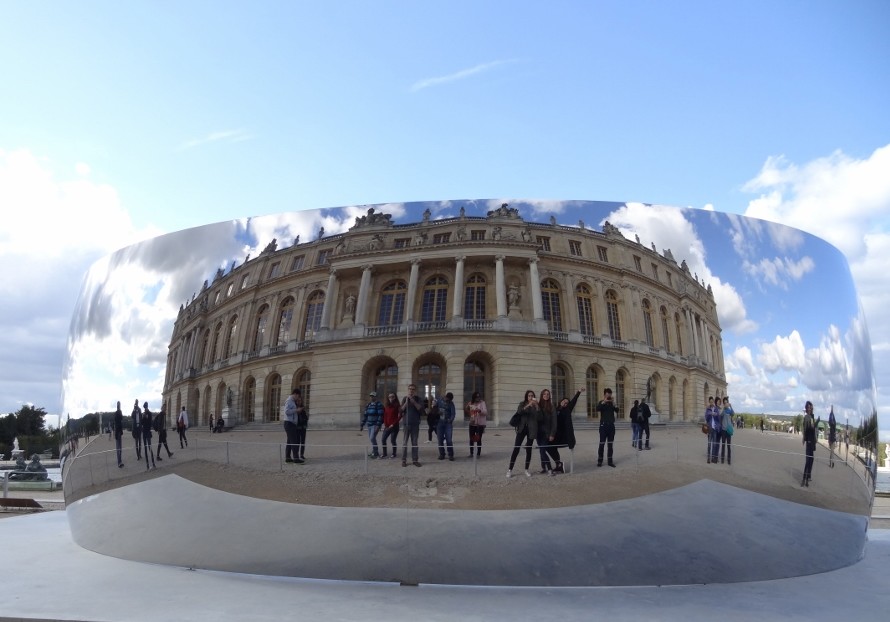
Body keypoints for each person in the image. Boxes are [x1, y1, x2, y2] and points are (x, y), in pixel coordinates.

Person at [507, 389, 541, 478]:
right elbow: (519, 412)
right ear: (526, 397)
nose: (530, 397)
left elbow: (540, 418)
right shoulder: (522, 404)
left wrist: (537, 407)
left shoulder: (536, 406)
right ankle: (510, 469)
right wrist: (528, 405)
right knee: (516, 448)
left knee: (528, 449)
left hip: (532, 429)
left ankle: (526, 469)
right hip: (522, 429)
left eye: (532, 396)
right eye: (529, 396)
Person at [553, 388, 582, 473]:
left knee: (551, 446)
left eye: (567, 402)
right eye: (564, 401)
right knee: (549, 447)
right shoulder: (555, 410)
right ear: (560, 401)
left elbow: (574, 400)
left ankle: (558, 465)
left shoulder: (568, 409)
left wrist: (578, 392)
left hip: (565, 435)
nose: (565, 403)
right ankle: (558, 464)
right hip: (557, 434)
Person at [400, 384, 424, 467]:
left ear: (415, 390)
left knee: (414, 443)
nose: (411, 390)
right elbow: (400, 410)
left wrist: (413, 401)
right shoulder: (404, 399)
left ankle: (415, 460)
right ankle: (403, 460)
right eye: (410, 389)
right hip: (406, 424)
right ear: (408, 390)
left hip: (415, 424)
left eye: (413, 389)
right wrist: (406, 403)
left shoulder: (418, 399)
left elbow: (420, 409)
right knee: (404, 443)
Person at [536, 388, 558, 474]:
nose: (546, 395)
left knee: (542, 450)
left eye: (548, 394)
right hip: (538, 433)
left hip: (547, 433)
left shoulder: (551, 406)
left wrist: (552, 434)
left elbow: (554, 422)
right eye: (544, 394)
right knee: (542, 450)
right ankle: (543, 467)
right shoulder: (538, 405)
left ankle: (549, 468)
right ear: (542, 395)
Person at [596, 388, 618, 467]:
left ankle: (610, 461)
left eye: (610, 395)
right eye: (607, 395)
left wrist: (614, 403)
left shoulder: (612, 403)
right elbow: (597, 409)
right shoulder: (601, 402)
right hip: (603, 426)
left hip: (611, 426)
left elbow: (617, 410)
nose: (609, 397)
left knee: (610, 445)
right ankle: (600, 461)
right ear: (604, 395)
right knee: (602, 443)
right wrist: (604, 402)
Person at [282, 388, 304, 464]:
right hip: (289, 423)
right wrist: (296, 410)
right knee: (294, 441)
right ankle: (296, 458)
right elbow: (287, 411)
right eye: (298, 396)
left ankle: (288, 457)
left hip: (290, 423)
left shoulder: (292, 401)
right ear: (295, 394)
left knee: (290, 441)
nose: (298, 398)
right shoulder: (289, 401)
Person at [361, 391, 384, 459]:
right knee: (372, 439)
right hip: (369, 425)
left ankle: (376, 453)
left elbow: (381, 415)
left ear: (376, 397)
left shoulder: (379, 404)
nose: (371, 397)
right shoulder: (368, 405)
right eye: (371, 396)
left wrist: (378, 425)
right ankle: (374, 451)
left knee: (372, 438)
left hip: (375, 425)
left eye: (373, 396)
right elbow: (365, 415)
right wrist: (362, 424)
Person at [801, 401, 820, 487]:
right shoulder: (806, 417)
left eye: (811, 407)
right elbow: (807, 428)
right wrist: (804, 438)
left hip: (812, 440)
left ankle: (808, 476)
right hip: (809, 440)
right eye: (808, 407)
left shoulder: (812, 416)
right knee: (808, 460)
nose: (810, 409)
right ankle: (804, 478)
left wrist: (816, 438)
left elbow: (814, 429)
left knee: (811, 459)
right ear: (806, 408)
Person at [466, 391, 488, 458]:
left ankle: (478, 453)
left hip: (480, 424)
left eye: (479, 396)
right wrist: (467, 406)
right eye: (476, 397)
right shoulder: (471, 403)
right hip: (472, 422)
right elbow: (468, 410)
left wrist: (479, 410)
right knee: (471, 438)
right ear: (474, 397)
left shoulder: (482, 403)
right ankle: (471, 453)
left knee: (478, 439)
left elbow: (485, 412)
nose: (478, 398)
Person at [436, 392, 456, 461]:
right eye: (447, 399)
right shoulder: (439, 401)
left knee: (449, 440)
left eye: (449, 400)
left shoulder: (451, 404)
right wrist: (437, 412)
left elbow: (453, 413)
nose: (448, 401)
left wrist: (450, 420)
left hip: (448, 424)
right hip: (439, 422)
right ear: (445, 397)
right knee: (440, 439)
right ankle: (442, 454)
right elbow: (434, 409)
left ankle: (450, 454)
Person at [380, 392, 400, 459]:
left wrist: (393, 424)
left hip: (394, 426)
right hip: (387, 426)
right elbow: (385, 415)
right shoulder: (386, 405)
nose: (391, 398)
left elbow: (400, 416)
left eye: (392, 396)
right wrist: (385, 424)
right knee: (383, 439)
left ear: (395, 397)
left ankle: (394, 454)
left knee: (393, 440)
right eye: (389, 397)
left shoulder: (397, 405)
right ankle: (384, 453)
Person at [140, 402, 156, 471]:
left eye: (146, 407)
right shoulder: (144, 414)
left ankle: (153, 463)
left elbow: (150, 423)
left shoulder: (149, 413)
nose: (145, 408)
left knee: (150, 448)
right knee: (146, 449)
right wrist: (143, 417)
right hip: (144, 432)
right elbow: (142, 423)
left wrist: (147, 417)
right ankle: (147, 465)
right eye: (144, 407)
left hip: (148, 432)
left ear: (147, 407)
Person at [705, 397, 721, 464]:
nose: (711, 402)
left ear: (713, 401)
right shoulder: (708, 409)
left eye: (712, 401)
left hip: (714, 429)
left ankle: (713, 458)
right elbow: (706, 418)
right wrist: (709, 414)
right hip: (709, 429)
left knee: (714, 444)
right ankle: (708, 458)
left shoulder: (716, 409)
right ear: (709, 402)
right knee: (709, 444)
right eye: (710, 401)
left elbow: (718, 418)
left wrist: (716, 414)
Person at [720, 396, 734, 465]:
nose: (725, 404)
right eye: (724, 403)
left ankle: (729, 459)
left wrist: (731, 406)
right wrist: (724, 409)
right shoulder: (723, 410)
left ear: (728, 403)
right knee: (723, 445)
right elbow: (721, 415)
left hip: (728, 430)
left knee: (728, 445)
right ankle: (722, 458)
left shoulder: (729, 410)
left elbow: (733, 414)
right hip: (723, 430)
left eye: (726, 402)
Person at [113, 401, 124, 468]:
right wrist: (120, 412)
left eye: (119, 405)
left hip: (119, 431)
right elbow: (119, 420)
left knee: (120, 448)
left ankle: (120, 461)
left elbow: (121, 419)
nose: (119, 406)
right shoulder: (117, 413)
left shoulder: (118, 412)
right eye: (118, 405)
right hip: (118, 432)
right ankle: (119, 462)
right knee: (118, 448)